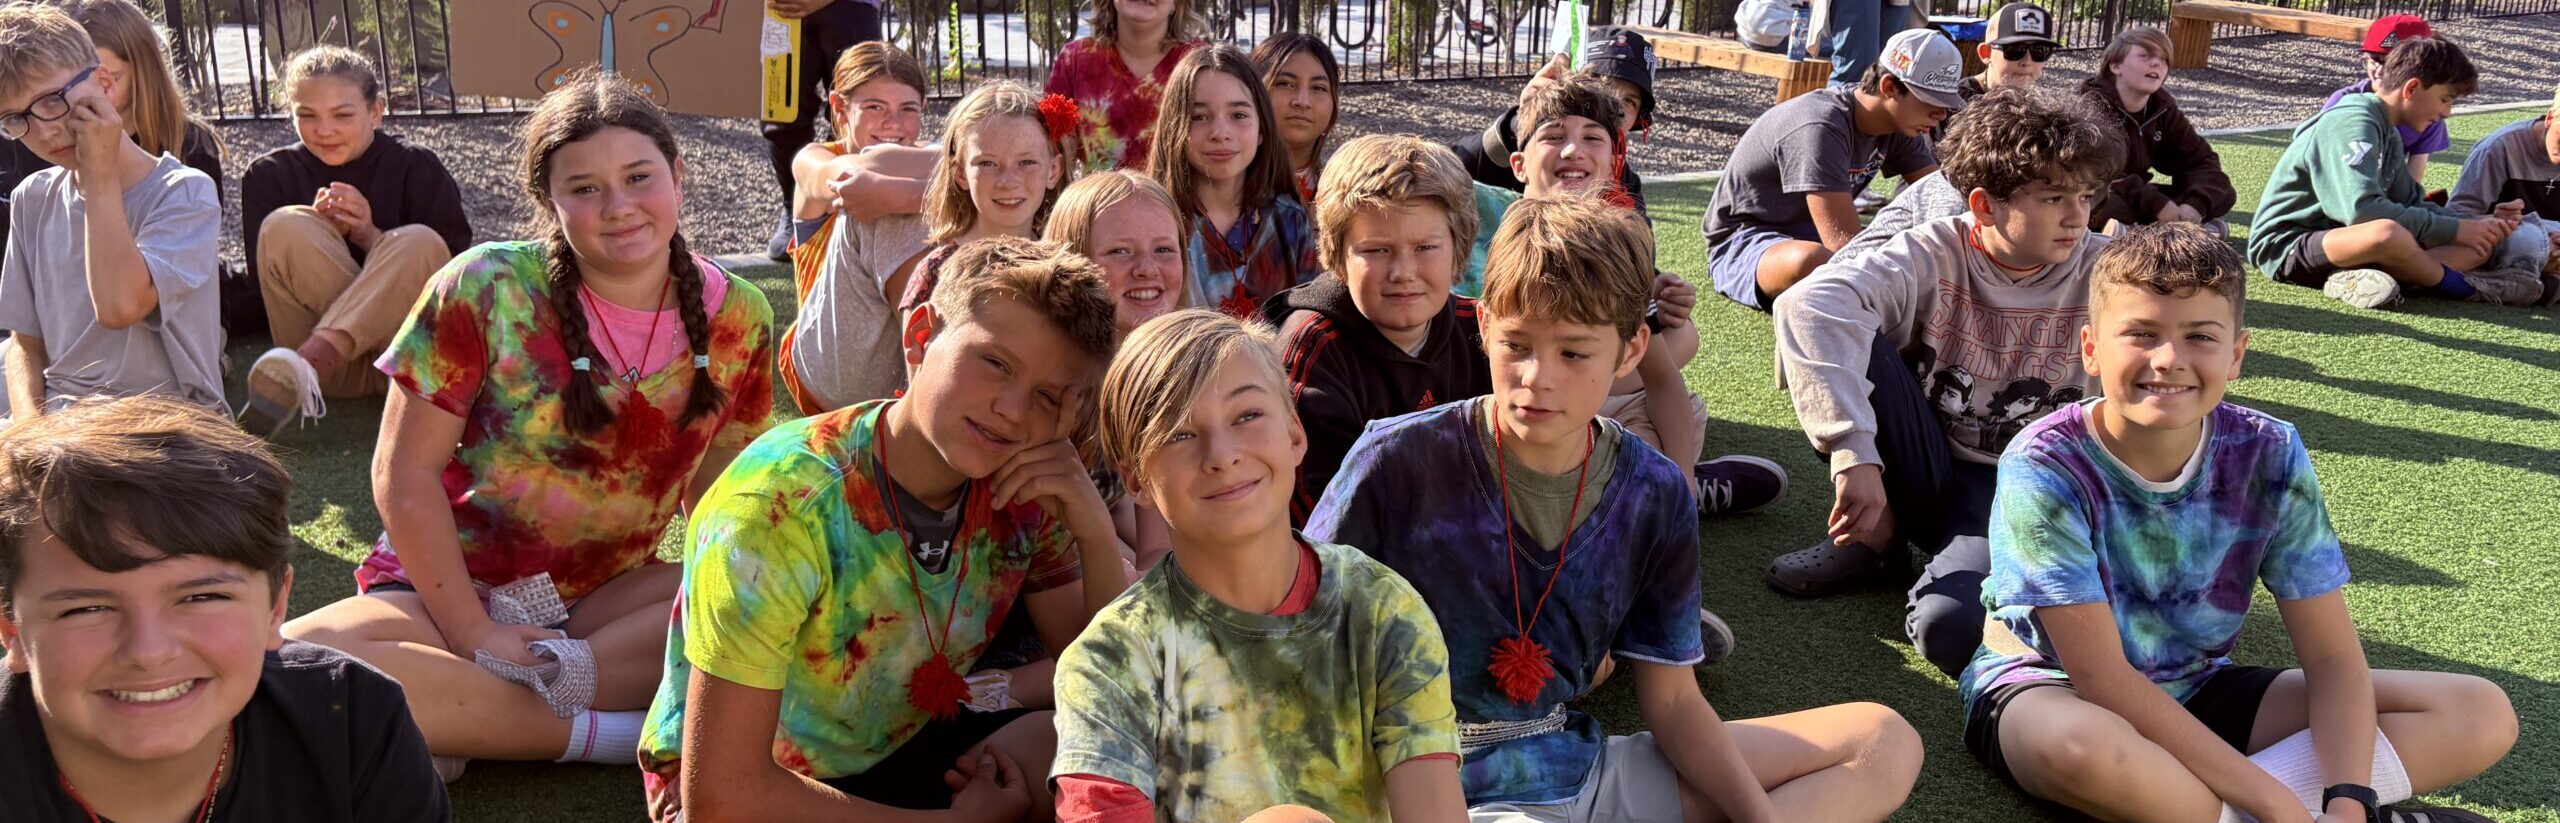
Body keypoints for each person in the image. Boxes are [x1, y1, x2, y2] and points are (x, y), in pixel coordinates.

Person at [1312, 195, 1924, 821]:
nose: (1537, 376)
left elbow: (1673, 703)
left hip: (1580, 764)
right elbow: (1299, 642)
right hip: (1433, 783)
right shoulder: (1396, 459)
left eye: (1574, 353)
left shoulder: (1653, 488)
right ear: (1485, 325)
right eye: (1516, 344)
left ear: (1631, 351)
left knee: (1881, 741)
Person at [280, 71, 778, 781]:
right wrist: (475, 633)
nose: (619, 207)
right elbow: (404, 474)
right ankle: (599, 731)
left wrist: (736, 603)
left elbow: (721, 510)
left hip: (603, 608)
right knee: (285, 666)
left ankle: (455, 716)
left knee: (758, 594)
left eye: (639, 177)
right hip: (439, 594)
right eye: (585, 188)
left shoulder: (741, 316)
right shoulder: (484, 285)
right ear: (549, 201)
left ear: (677, 174)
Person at [1961, 223, 2517, 823]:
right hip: (2053, 692)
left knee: (2478, 711)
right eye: (2141, 334)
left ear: (2236, 355)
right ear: (2091, 348)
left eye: (2200, 336)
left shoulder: (2269, 449)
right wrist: (2275, 802)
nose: (2168, 359)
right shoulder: (2044, 461)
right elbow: (2102, 679)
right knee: (2078, 750)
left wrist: (2350, 798)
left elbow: (2332, 660)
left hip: (2200, 688)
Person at [638, 236, 1133, 822]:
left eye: (1048, 397)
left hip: (898, 745)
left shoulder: (1023, 486)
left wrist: (1094, 532)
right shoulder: (780, 505)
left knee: (1096, 753)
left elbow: (1109, 694)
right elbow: (722, 799)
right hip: (756, 786)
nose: (1013, 410)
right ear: (920, 336)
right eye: (996, 364)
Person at [1052, 308, 1467, 823]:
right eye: (1179, 434)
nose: (1222, 455)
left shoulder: (1382, 611)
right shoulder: (1110, 662)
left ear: (1294, 435)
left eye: (1246, 416)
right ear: (1136, 480)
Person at [1767, 86, 2122, 678]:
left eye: (2085, 196)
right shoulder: (1934, 249)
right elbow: (1809, 306)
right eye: (2054, 197)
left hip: (2030, 488)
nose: (2077, 216)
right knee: (1845, 330)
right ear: (1984, 205)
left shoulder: (2111, 269)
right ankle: (1875, 538)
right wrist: (1853, 453)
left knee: (1949, 629)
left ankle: (1984, 570)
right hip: (1925, 462)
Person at [0, 396, 449, 822]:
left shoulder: (354, 723)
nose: (148, 652)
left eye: (200, 598)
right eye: (86, 609)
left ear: (275, 607)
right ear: (12, 630)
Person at [1504, 79, 1786, 525]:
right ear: (1519, 164)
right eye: (1554, 136)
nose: (1573, 150)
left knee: (1658, 436)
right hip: (1517, 411)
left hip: (1606, 411)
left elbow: (1662, 378)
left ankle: (1677, 491)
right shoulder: (1494, 237)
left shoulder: (1619, 248)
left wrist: (1681, 482)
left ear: (1614, 163)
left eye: (1592, 138)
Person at [237, 45, 473, 435]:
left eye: (342, 115)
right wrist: (319, 233)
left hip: (405, 358)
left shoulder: (417, 167)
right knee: (285, 225)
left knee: (419, 241)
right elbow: (264, 288)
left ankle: (314, 358)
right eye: (307, 115)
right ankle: (314, 361)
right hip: (330, 378)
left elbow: (457, 282)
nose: (324, 130)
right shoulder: (268, 175)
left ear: (375, 112)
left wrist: (370, 237)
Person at [0, 4, 222, 418]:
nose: (44, 131)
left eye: (51, 101)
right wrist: (29, 432)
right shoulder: (33, 197)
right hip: (60, 422)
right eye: (16, 118)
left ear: (103, 83)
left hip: (161, 422)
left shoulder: (185, 193)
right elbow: (24, 346)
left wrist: (98, 175)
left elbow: (119, 306)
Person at [1258, 135, 1490, 525]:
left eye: (1425, 248)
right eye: (1377, 250)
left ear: (1457, 250)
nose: (1403, 272)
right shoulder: (1312, 353)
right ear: (1338, 256)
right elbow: (1320, 515)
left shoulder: (1483, 332)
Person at [2249, 38, 2550, 309]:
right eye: (2446, 98)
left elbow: (2411, 202)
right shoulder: (2353, 121)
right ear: (2412, 88)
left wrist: (2475, 224)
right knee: (2387, 233)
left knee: (2476, 247)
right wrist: (2454, 229)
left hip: (2352, 242)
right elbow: (2362, 212)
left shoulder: (2388, 131)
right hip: (2289, 245)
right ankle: (2466, 288)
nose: (2447, 112)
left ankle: (2366, 279)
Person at [1702, 27, 1950, 311]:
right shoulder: (1820, 125)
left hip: (1816, 238)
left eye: (1945, 101)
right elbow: (1847, 250)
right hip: (1745, 242)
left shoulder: (1901, 123)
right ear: (1889, 87)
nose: (1941, 113)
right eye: (1930, 99)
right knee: (1814, 262)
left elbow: (1941, 199)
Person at [777, 42, 937, 415]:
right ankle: (932, 380)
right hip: (831, 363)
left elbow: (982, 167)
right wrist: (957, 184)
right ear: (839, 107)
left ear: (923, 109)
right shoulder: (814, 159)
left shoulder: (933, 155)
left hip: (889, 360)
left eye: (908, 109)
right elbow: (853, 182)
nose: (893, 123)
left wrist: (907, 191)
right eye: (875, 108)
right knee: (884, 212)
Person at [1043, 169, 1190, 571]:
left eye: (1164, 249)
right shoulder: (1047, 381)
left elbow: (1154, 542)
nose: (1146, 268)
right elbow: (1056, 540)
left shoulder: (1162, 369)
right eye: (1120, 251)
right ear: (1071, 262)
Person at [890, 81, 1073, 339]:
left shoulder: (1071, 263)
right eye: (987, 163)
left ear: (1054, 170)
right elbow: (918, 361)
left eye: (1026, 162)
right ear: (960, 174)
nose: (1007, 181)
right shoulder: (934, 275)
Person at [1149, 43, 1318, 318]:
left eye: (1238, 115)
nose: (1220, 132)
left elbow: (1311, 320)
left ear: (1262, 129)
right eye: (1199, 117)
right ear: (1173, 127)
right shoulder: (1156, 223)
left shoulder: (1288, 220)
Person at [1450, 28, 1657, 215]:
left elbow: (1641, 242)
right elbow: (1446, 169)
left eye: (1629, 101)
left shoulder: (1626, 185)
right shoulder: (1518, 144)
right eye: (1602, 88)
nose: (1616, 107)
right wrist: (1521, 122)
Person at [2080, 27, 2236, 235]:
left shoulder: (2162, 108)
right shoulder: (2090, 106)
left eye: (2164, 59)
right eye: (2145, 56)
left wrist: (2194, 206)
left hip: (2139, 196)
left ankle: (2153, 229)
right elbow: (2102, 173)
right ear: (2116, 66)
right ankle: (2179, 232)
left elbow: (2201, 160)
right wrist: (2159, 205)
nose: (2157, 63)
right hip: (2099, 190)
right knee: (2103, 200)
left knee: (2222, 190)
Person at [761, 0, 885, 260]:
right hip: (780, 11)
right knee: (782, 112)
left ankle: (849, 212)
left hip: (853, 7)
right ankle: (795, 207)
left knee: (858, 110)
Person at [1046, 0, 1204, 172]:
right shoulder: (1075, 60)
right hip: (1100, 190)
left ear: (1177, 4)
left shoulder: (1200, 64)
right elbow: (1050, 150)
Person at [2324, 15, 2445, 187]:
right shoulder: (2343, 102)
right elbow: (2322, 166)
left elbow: (2412, 184)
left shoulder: (2427, 113)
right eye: (2374, 60)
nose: (2379, 70)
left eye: (2391, 62)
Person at [1250, 33, 1339, 203]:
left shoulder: (1345, 197)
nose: (1302, 102)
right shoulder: (1220, 188)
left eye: (1318, 88)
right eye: (1285, 84)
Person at [1967, 3, 2057, 99]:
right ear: (1986, 53)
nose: (2027, 61)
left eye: (2039, 50)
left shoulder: (2040, 103)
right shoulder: (1959, 101)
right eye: (2015, 49)